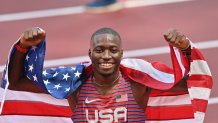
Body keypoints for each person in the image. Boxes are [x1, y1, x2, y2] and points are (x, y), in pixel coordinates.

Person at [3, 27, 212, 122]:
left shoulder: (139, 85)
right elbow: (17, 84)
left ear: (121, 54)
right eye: (99, 50)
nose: (106, 56)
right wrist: (23, 47)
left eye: (112, 50)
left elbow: (191, 84)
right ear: (89, 53)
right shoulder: (72, 86)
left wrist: (185, 48)